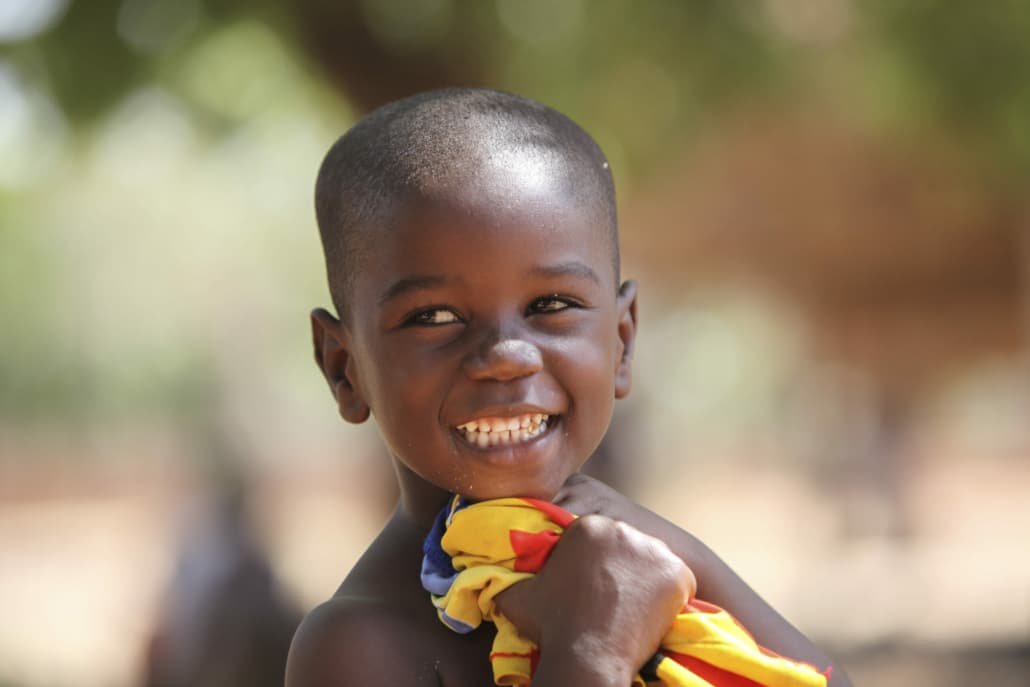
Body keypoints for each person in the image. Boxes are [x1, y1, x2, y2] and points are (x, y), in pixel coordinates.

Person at [286, 88, 851, 687]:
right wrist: (593, 650)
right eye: (434, 317)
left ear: (622, 341)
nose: (505, 358)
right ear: (344, 368)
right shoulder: (358, 647)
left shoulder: (641, 556)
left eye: (551, 305)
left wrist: (685, 557)